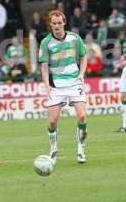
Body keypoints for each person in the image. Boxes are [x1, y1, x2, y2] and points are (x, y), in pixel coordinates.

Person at [39, 10, 88, 164]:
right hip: (56, 85)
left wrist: (82, 74)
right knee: (52, 121)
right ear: (50, 24)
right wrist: (47, 85)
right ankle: (53, 148)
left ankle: (81, 148)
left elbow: (83, 56)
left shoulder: (75, 38)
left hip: (74, 82)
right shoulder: (46, 42)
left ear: (64, 23)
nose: (57, 26)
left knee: (82, 116)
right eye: (54, 23)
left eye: (60, 23)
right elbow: (44, 66)